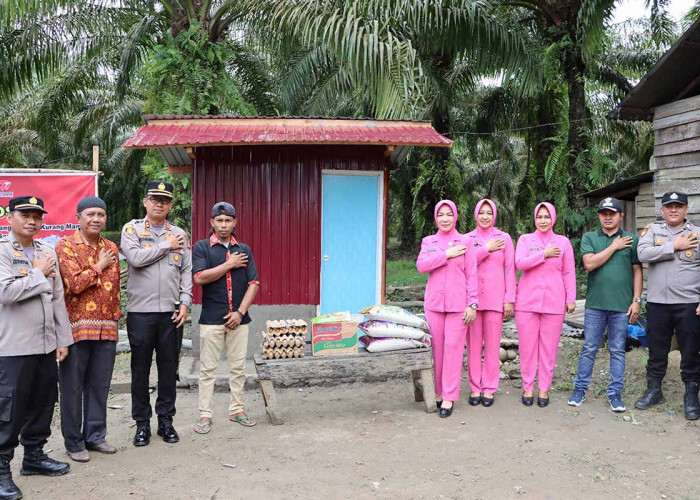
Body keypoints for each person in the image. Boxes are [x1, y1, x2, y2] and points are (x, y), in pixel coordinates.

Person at [0, 196, 73, 500]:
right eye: (25, 214)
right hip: (14, 346)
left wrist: (62, 339)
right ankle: (2, 469)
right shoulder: (3, 251)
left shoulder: (46, 252)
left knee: (43, 401)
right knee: (10, 409)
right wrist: (38, 273)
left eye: (37, 216)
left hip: (45, 345)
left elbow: (57, 299)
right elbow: (5, 292)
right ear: (9, 217)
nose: (32, 220)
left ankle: (34, 456)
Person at [121, 182, 193, 446]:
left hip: (171, 313)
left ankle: (166, 421)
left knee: (168, 369)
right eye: (154, 199)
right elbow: (136, 259)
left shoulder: (179, 233)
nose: (159, 204)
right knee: (140, 370)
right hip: (141, 313)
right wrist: (165, 245)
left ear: (171, 205)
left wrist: (185, 302)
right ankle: (142, 424)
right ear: (145, 201)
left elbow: (186, 270)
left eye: (165, 200)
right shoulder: (132, 229)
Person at [56, 197, 122, 462]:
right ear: (78, 217)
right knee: (72, 387)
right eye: (91, 214)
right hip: (75, 329)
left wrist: (115, 317)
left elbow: (114, 287)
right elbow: (73, 284)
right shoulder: (65, 246)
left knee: (99, 385)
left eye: (101, 214)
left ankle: (95, 436)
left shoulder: (111, 246)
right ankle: (73, 442)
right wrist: (99, 266)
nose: (96, 219)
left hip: (106, 329)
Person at [568, 197, 642, 412]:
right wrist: (614, 246)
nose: (608, 217)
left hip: (621, 306)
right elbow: (589, 264)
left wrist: (636, 300)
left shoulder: (631, 239)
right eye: (604, 213)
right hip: (595, 305)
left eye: (612, 213)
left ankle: (615, 394)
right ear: (599, 216)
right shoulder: (590, 237)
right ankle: (579, 390)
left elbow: (637, 271)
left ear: (621, 216)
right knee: (590, 347)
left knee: (617, 350)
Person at [192, 202, 260, 434]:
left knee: (238, 368)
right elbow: (199, 278)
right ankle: (205, 415)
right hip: (211, 318)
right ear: (211, 222)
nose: (223, 225)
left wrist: (240, 313)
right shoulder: (202, 248)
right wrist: (229, 264)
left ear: (234, 222)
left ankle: (237, 410)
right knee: (208, 370)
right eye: (219, 221)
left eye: (228, 221)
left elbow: (254, 283)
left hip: (239, 319)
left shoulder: (244, 250)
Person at [635, 191, 700, 420]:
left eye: (678, 206)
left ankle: (691, 396)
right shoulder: (653, 231)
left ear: (686, 209)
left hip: (688, 304)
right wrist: (674, 245)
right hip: (658, 304)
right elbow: (642, 253)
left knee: (691, 351)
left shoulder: (697, 234)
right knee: (657, 350)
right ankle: (654, 390)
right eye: (669, 206)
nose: (673, 210)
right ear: (662, 210)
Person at [416, 200, 478, 418]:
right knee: (438, 351)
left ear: (455, 217)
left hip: (458, 306)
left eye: (449, 214)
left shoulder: (466, 242)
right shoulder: (429, 241)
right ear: (436, 217)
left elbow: (472, 274)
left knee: (452, 350)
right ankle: (440, 392)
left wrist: (472, 304)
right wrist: (447, 255)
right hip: (434, 305)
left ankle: (449, 397)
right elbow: (422, 266)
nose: (444, 219)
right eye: (441, 214)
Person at [515, 202, 576, 407]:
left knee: (548, 348)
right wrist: (544, 254)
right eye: (539, 217)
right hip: (526, 302)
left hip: (554, 301)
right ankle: (528, 387)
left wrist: (570, 298)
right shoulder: (526, 239)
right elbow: (520, 263)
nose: (543, 221)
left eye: (546, 217)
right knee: (527, 347)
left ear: (553, 219)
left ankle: (543, 388)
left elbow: (568, 271)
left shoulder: (563, 242)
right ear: (535, 219)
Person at [464, 199, 515, 407]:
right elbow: (466, 264)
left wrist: (509, 299)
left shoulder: (504, 239)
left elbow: (510, 270)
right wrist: (486, 248)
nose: (485, 216)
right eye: (481, 212)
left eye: (489, 213)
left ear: (494, 215)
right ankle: (475, 387)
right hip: (473, 301)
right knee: (474, 346)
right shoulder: (467, 238)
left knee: (493, 347)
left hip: (495, 300)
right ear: (476, 215)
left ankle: (489, 387)